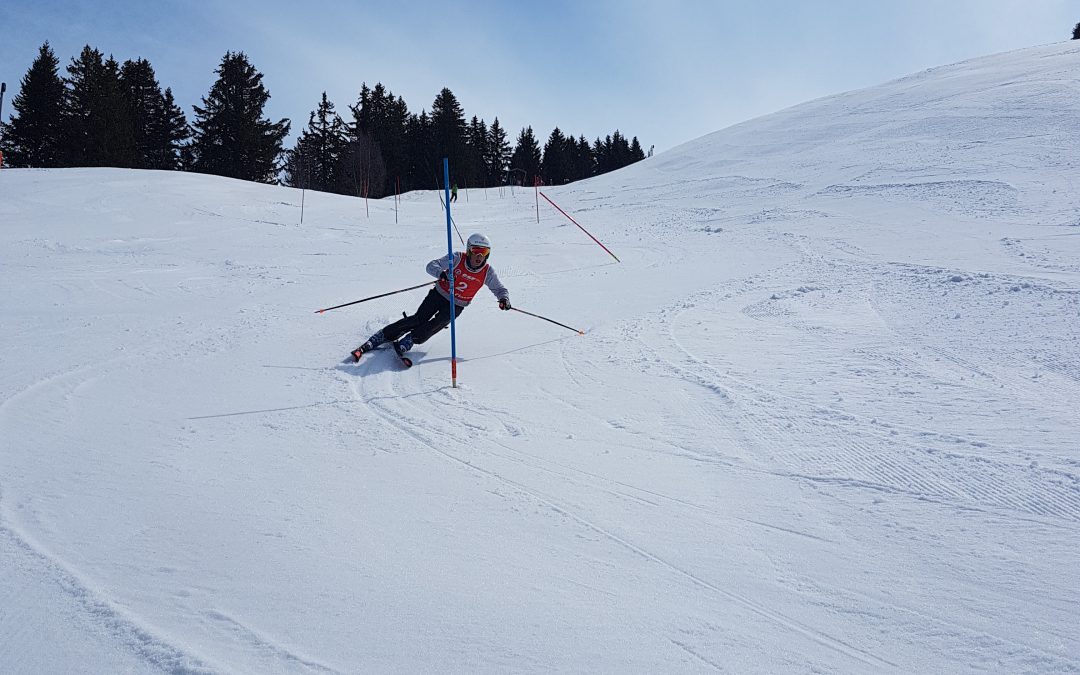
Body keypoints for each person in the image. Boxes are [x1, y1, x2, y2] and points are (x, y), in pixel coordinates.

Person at [350, 233, 511, 363]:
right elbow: (431, 265)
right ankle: (384, 335)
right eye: (476, 250)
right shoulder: (457, 258)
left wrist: (504, 299)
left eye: (483, 252)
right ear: (469, 250)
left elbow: (499, 288)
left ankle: (410, 340)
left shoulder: (487, 272)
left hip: (457, 304)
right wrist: (441, 274)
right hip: (439, 294)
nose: (479, 256)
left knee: (438, 323)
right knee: (418, 319)